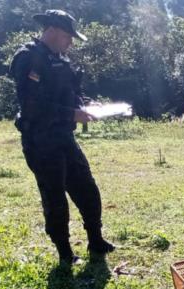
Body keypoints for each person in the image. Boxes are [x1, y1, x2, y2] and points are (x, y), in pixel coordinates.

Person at [9, 9, 114, 266]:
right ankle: (65, 254)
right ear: (53, 30)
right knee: (55, 197)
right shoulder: (28, 58)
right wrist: (71, 114)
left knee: (87, 189)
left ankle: (96, 240)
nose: (70, 42)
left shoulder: (62, 61)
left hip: (64, 137)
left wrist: (88, 106)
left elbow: (70, 95)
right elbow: (33, 106)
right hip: (41, 141)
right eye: (68, 36)